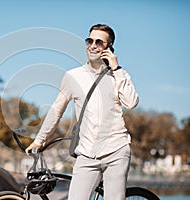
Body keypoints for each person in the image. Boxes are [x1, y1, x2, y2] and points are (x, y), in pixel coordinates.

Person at [25, 24, 139, 200]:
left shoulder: (117, 75)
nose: (92, 45)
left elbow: (131, 102)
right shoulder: (73, 76)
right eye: (89, 40)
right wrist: (39, 141)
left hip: (116, 150)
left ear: (109, 48)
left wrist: (117, 69)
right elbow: (56, 110)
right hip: (86, 153)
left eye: (99, 42)